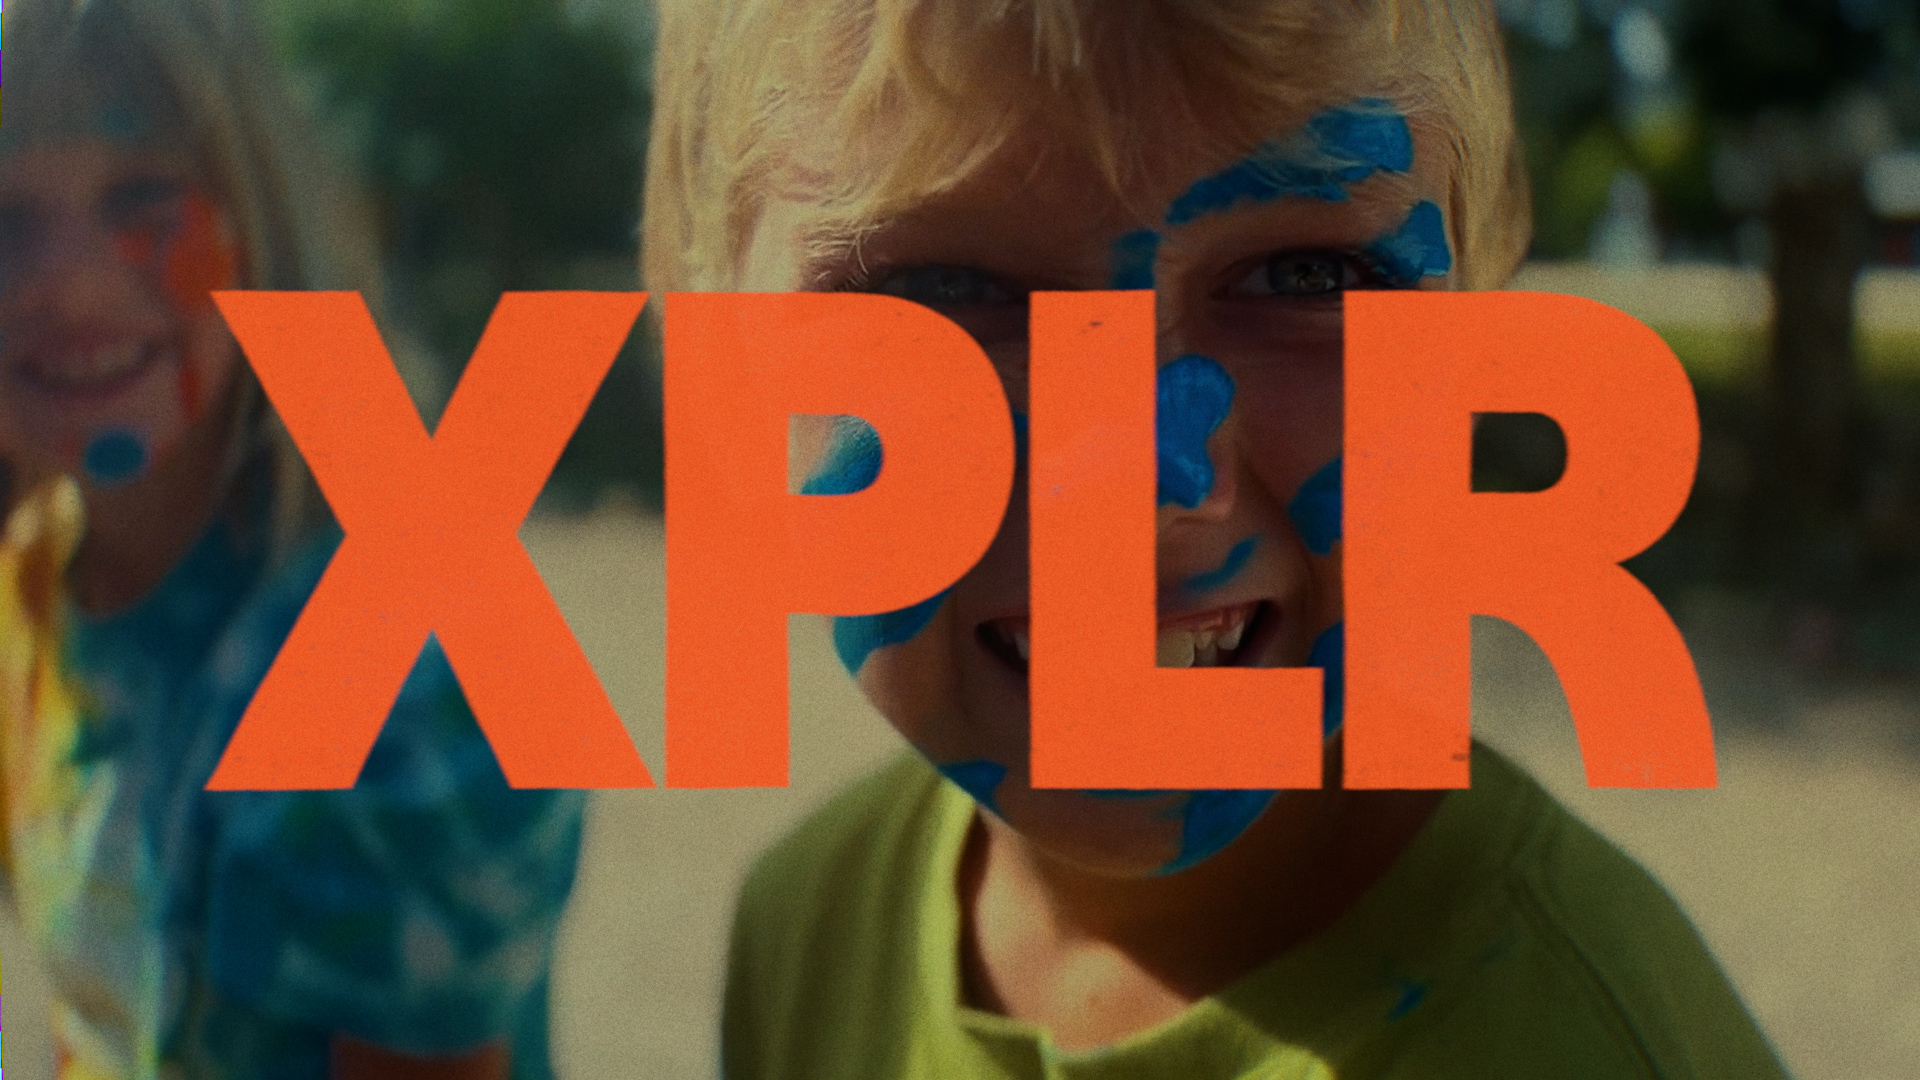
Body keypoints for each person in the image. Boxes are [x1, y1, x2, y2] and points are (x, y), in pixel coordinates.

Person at [642, 1, 1793, 1076]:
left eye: (1304, 274)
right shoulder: (808, 921)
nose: (1143, 482)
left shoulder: (1592, 1043)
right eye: (943, 291)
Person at [0, 1, 586, 1077]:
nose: (64, 284)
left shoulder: (409, 657)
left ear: (259, 220)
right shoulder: (37, 564)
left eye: (141, 200)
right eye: (3, 222)